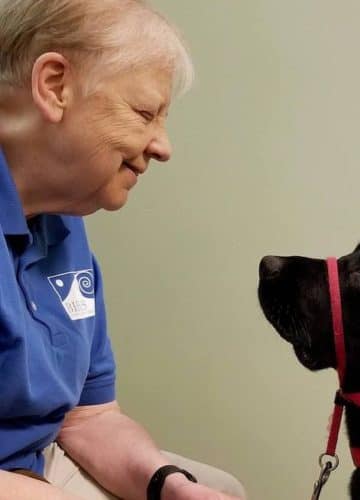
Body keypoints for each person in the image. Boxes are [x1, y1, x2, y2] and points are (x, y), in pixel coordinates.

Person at [0, 1, 246, 499]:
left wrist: (167, 486)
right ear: (54, 85)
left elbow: (88, 417)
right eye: (144, 113)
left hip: (33, 461)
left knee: (221, 489)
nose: (163, 146)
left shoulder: (64, 222)